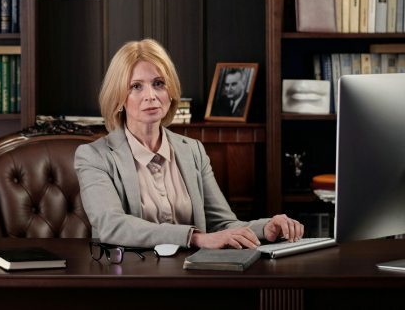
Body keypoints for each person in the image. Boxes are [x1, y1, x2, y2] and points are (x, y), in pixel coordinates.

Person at [75, 38, 303, 249]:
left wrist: (266, 228)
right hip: (130, 277)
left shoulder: (192, 150)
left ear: (170, 92)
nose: (151, 95)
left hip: (194, 273)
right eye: (136, 86)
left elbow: (222, 224)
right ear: (118, 98)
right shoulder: (94, 156)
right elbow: (112, 226)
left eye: (158, 84)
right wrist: (194, 238)